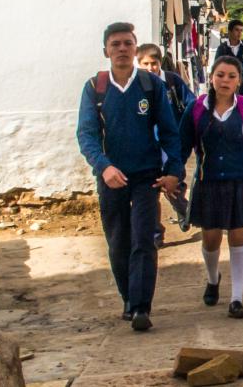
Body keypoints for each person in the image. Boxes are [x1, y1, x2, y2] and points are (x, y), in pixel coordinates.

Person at [76, 22, 183, 332]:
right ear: (106, 51)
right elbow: (87, 134)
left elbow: (169, 131)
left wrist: (174, 170)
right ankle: (127, 296)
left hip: (146, 176)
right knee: (118, 240)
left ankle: (140, 306)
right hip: (111, 177)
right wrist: (103, 166)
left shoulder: (151, 86)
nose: (122, 49)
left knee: (143, 239)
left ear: (135, 49)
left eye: (127, 43)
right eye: (115, 44)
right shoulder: (95, 87)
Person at [179, 56, 243, 318]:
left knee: (239, 238)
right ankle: (212, 278)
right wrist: (174, 176)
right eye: (220, 75)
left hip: (241, 181)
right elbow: (182, 147)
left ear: (239, 80)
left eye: (231, 76)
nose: (225, 80)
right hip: (209, 182)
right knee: (211, 238)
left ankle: (237, 298)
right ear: (212, 77)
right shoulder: (195, 109)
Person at [138, 43, 196, 247]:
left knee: (173, 183)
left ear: (159, 63)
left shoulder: (172, 81)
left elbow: (191, 103)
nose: (150, 68)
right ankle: (156, 234)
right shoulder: (137, 85)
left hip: (173, 144)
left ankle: (183, 209)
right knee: (152, 188)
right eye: (145, 64)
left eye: (153, 64)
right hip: (148, 145)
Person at [215, 20, 243, 98]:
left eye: (241, 30)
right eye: (237, 30)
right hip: (227, 86)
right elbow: (216, 66)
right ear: (230, 31)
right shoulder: (222, 48)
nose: (240, 33)